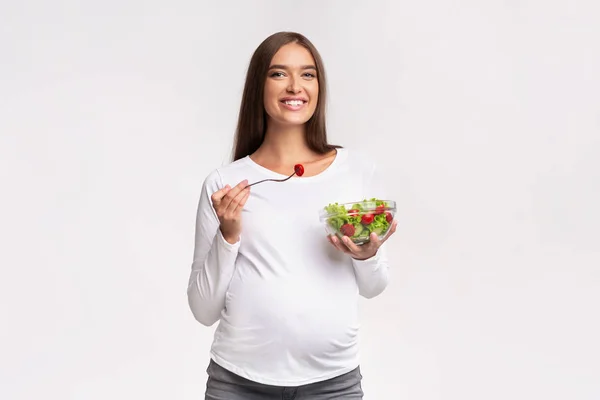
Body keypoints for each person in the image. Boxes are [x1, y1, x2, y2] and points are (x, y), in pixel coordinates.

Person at [187, 31, 398, 400]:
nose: (295, 86)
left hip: (334, 383)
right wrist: (229, 236)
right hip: (238, 383)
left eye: (308, 74)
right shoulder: (225, 184)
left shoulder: (356, 171)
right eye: (279, 74)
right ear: (259, 85)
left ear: (319, 86)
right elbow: (203, 310)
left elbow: (374, 286)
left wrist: (367, 255)